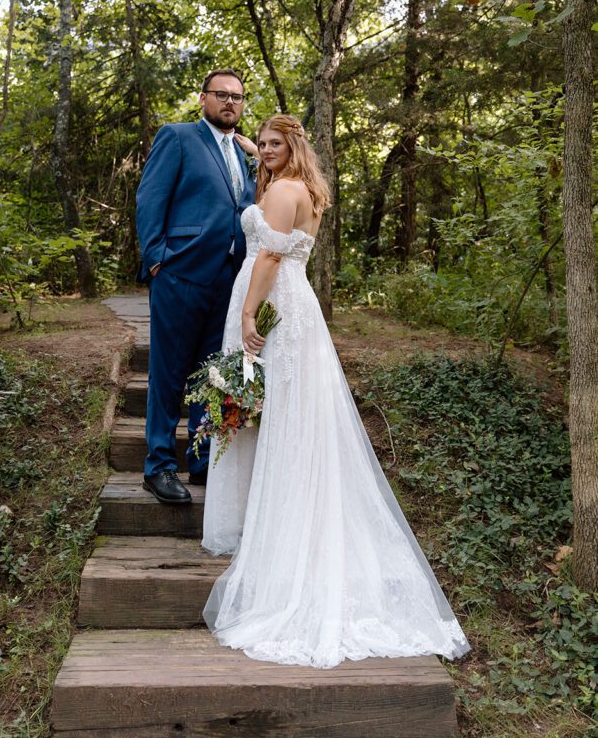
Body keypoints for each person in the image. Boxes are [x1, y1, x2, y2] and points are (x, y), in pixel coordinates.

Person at [202, 114, 470, 667]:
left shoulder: (281, 192)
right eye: (263, 146)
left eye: (275, 145)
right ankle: (280, 512)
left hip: (271, 302)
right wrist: (258, 142)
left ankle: (279, 531)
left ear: (292, 148)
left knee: (266, 406)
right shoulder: (310, 191)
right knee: (290, 413)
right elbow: (270, 164)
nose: (265, 153)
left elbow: (271, 257)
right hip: (298, 307)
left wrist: (250, 311)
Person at [135, 69, 256, 504]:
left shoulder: (246, 156)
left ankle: (201, 459)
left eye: (237, 97)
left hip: (229, 278)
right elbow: (150, 198)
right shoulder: (178, 137)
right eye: (221, 94)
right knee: (169, 372)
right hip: (180, 274)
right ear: (203, 98)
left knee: (212, 373)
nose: (229, 102)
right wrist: (156, 261)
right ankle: (160, 465)